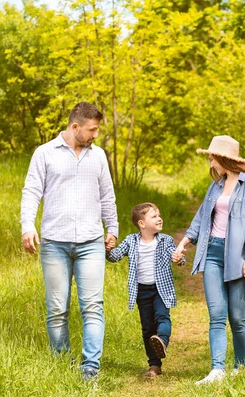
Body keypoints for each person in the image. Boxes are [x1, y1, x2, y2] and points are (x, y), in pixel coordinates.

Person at [20, 102, 118, 381]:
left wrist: (112, 227)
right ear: (75, 127)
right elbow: (31, 192)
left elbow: (107, 195)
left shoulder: (98, 156)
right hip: (54, 242)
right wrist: (27, 226)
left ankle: (90, 368)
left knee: (92, 305)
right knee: (57, 308)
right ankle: (62, 362)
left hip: (91, 242)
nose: (95, 135)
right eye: (92, 129)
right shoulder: (44, 154)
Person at [174, 135, 245, 385]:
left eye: (213, 157)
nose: (211, 162)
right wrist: (183, 244)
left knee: (237, 318)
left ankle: (240, 367)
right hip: (213, 252)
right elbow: (202, 217)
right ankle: (217, 370)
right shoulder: (216, 186)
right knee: (216, 314)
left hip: (238, 255)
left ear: (224, 158)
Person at [106, 202, 185, 378]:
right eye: (154, 216)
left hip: (160, 289)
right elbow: (115, 256)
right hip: (141, 291)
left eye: (159, 215)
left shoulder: (165, 240)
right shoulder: (131, 241)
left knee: (162, 317)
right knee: (147, 328)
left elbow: (177, 257)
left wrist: (179, 258)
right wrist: (107, 249)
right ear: (142, 224)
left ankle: (162, 341)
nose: (159, 218)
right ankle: (154, 365)